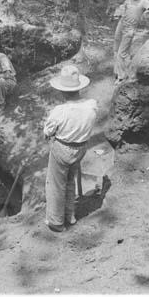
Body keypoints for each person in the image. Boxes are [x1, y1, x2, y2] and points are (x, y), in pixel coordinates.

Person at [44, 65, 97, 232]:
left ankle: (56, 221)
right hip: (80, 149)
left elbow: (48, 131)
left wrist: (49, 132)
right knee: (69, 181)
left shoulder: (60, 111)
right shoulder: (91, 105)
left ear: (62, 91)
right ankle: (70, 215)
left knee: (56, 184)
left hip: (62, 149)